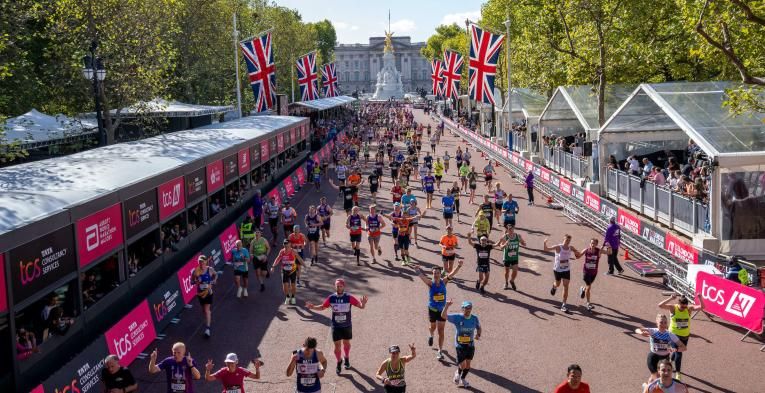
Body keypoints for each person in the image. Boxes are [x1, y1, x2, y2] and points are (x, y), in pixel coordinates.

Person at [305, 278, 368, 374]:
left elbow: (360, 306)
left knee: (346, 343)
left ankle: (346, 358)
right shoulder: (331, 298)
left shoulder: (349, 297)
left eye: (340, 286)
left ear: (344, 286)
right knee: (337, 346)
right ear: (335, 286)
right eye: (337, 286)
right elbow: (322, 307)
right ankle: (339, 362)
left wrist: (363, 304)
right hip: (336, 326)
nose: (338, 288)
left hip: (347, 325)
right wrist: (313, 307)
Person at [415, 261, 463, 360]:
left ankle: (440, 351)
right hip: (432, 310)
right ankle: (431, 335)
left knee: (441, 331)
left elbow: (452, 274)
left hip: (442, 311)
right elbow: (422, 277)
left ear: (440, 274)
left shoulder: (444, 282)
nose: (436, 274)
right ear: (432, 274)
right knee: (432, 327)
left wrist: (459, 266)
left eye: (437, 273)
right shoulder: (430, 283)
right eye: (434, 273)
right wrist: (417, 270)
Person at [658, 294, 704, 379]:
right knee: (679, 353)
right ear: (678, 304)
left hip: (685, 335)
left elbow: (702, 307)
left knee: (677, 351)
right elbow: (660, 305)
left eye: (685, 307)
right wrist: (670, 298)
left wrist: (700, 298)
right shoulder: (673, 308)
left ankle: (671, 360)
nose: (683, 309)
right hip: (674, 334)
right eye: (681, 307)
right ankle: (678, 373)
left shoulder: (689, 308)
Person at [635, 314, 687, 385]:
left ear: (667, 324)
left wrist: (676, 349)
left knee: (657, 378)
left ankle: (647, 386)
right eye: (661, 322)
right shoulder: (653, 331)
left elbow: (684, 348)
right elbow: (637, 329)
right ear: (657, 323)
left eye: (665, 323)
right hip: (653, 357)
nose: (663, 325)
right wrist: (641, 333)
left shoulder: (670, 335)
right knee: (657, 377)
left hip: (664, 359)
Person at [442, 299, 481, 389]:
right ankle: (458, 373)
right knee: (462, 365)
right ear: (462, 308)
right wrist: (447, 306)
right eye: (466, 308)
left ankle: (463, 379)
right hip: (460, 345)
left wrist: (478, 334)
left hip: (470, 345)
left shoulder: (474, 318)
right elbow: (444, 316)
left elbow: (479, 327)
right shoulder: (457, 317)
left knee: (468, 365)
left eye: (469, 308)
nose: (468, 309)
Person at [543, 235, 579, 312]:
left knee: (566, 286)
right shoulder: (558, 247)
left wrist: (577, 254)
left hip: (566, 269)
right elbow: (546, 249)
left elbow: (578, 253)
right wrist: (544, 243)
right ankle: (554, 286)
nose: (568, 242)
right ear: (563, 239)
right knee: (558, 284)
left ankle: (564, 304)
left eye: (569, 240)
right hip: (558, 269)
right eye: (566, 240)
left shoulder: (571, 248)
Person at [573, 238, 611, 310]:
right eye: (591, 243)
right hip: (586, 272)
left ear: (596, 244)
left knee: (588, 287)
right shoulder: (586, 250)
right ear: (589, 243)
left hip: (594, 272)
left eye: (594, 243)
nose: (592, 245)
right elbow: (578, 257)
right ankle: (588, 303)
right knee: (589, 287)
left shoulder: (599, 251)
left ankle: (583, 289)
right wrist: (575, 252)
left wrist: (608, 246)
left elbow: (609, 253)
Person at [270, 239, 304, 305]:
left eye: (287, 245)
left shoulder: (293, 251)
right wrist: (273, 266)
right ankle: (288, 297)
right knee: (285, 286)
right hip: (284, 271)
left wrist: (304, 265)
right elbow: (278, 259)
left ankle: (293, 297)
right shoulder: (282, 252)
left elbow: (299, 258)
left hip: (293, 271)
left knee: (293, 285)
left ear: (290, 245)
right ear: (283, 245)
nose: (286, 246)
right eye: (285, 245)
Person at [192, 255, 217, 337]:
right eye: (200, 262)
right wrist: (196, 282)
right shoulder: (196, 271)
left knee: (207, 310)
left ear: (206, 262)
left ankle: (208, 329)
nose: (201, 264)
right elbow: (191, 282)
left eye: (203, 262)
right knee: (204, 310)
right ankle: (207, 319)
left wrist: (214, 280)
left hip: (208, 292)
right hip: (200, 293)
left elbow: (215, 274)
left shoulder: (210, 269)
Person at [495, 225, 526, 290]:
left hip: (515, 257)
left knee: (515, 271)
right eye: (509, 229)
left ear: (514, 229)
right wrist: (505, 245)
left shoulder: (518, 236)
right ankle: (506, 283)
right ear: (507, 230)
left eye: (512, 229)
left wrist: (523, 243)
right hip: (507, 257)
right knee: (507, 272)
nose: (511, 231)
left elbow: (523, 243)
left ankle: (511, 280)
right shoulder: (505, 237)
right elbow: (500, 247)